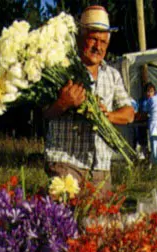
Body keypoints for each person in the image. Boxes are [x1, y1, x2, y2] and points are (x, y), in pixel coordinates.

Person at [42, 6, 134, 185]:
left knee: (102, 214)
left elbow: (129, 113)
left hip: (100, 169)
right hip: (66, 164)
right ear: (80, 37)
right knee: (65, 214)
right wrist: (63, 103)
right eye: (93, 39)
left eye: (103, 42)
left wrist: (107, 116)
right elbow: (44, 113)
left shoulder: (112, 74)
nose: (98, 47)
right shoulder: (60, 69)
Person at [134, 83, 156, 159]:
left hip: (153, 124)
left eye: (151, 91)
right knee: (142, 141)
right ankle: (142, 157)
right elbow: (136, 111)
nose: (149, 94)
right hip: (142, 124)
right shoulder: (141, 101)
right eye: (148, 91)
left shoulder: (155, 101)